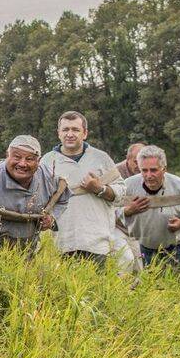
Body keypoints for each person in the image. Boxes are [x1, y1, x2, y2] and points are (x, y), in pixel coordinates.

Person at [40, 111, 125, 266]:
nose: (70, 134)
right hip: (62, 241)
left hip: (97, 242)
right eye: (65, 130)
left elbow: (121, 193)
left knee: (98, 281)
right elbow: (38, 197)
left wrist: (99, 188)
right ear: (58, 133)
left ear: (85, 133)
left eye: (75, 129)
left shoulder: (101, 158)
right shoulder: (47, 161)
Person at [0, 135, 65, 252]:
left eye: (29, 159)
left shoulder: (47, 177)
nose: (22, 164)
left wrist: (51, 218)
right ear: (7, 155)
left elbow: (63, 195)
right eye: (17, 157)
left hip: (30, 251)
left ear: (38, 161)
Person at [117, 145, 180, 269]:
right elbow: (110, 211)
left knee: (173, 281)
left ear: (164, 169)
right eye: (144, 170)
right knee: (146, 281)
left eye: (153, 170)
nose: (149, 175)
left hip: (174, 249)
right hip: (143, 247)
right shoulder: (128, 186)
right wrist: (127, 210)